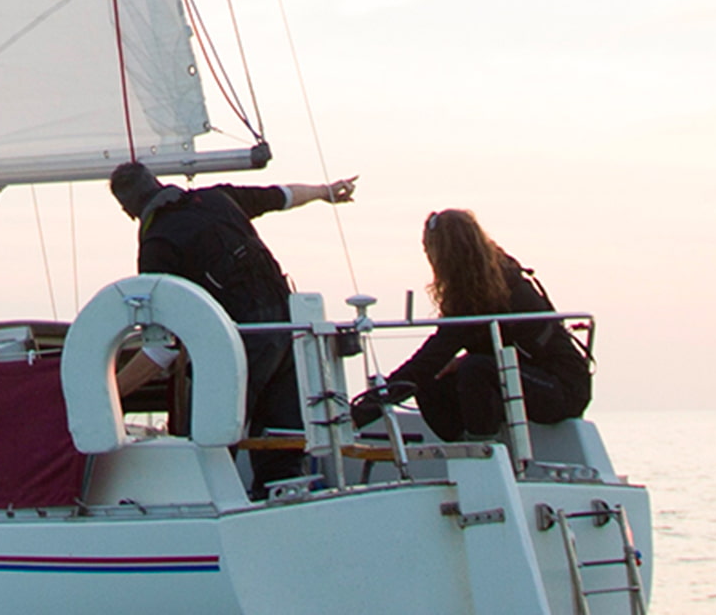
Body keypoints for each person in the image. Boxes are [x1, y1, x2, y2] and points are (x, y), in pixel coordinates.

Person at [109, 162, 357, 498]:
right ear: (158, 182)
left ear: (127, 211)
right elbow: (281, 196)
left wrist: (106, 394)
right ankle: (284, 508)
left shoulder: (158, 245)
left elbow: (161, 348)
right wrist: (323, 192)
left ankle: (206, 512)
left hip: (243, 344)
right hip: (289, 332)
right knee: (281, 451)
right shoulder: (217, 198)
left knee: (211, 444)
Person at [357, 208, 591, 441]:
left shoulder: (489, 293)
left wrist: (366, 408)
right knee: (433, 380)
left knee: (474, 369)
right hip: (527, 378)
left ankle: (482, 449)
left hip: (563, 389)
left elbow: (429, 359)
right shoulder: (484, 286)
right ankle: (463, 445)